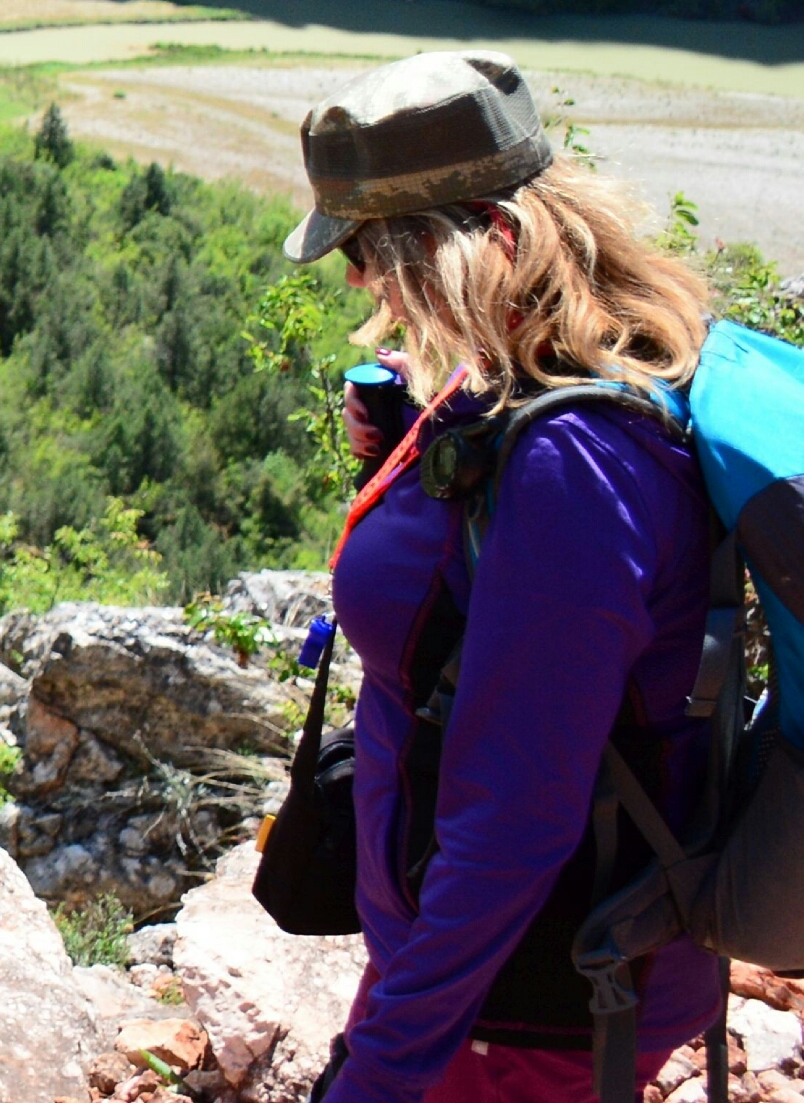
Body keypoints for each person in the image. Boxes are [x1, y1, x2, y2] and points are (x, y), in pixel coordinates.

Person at [287, 53, 727, 1103]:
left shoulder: (574, 462)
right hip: (489, 973)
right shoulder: (542, 378)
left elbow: (515, 814)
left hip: (532, 996)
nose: (355, 279)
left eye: (366, 247)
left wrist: (387, 1070)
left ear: (469, 246)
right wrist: (416, 458)